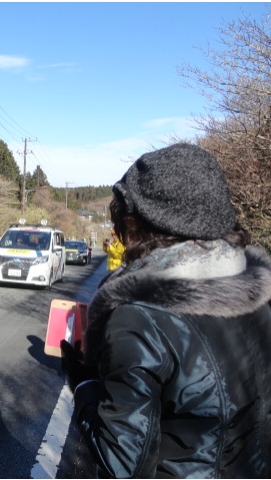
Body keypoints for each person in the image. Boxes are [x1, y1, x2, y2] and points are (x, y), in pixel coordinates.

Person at [60, 143, 271, 478]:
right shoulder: (260, 292)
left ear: (140, 224)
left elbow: (125, 463)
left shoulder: (138, 319)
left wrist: (84, 383)